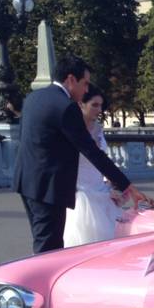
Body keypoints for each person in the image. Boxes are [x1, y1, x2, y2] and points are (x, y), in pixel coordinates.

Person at [13, 54, 148, 254]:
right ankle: (43, 284)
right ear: (70, 80)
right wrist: (127, 186)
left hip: (26, 181)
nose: (86, 89)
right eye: (84, 83)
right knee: (49, 248)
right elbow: (91, 151)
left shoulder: (33, 98)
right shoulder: (66, 107)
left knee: (42, 240)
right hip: (50, 186)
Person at [63, 84, 124, 247]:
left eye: (101, 105)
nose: (99, 110)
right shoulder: (72, 130)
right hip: (81, 195)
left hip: (102, 192)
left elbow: (102, 161)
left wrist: (110, 184)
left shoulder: (98, 128)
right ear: (81, 104)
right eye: (94, 105)